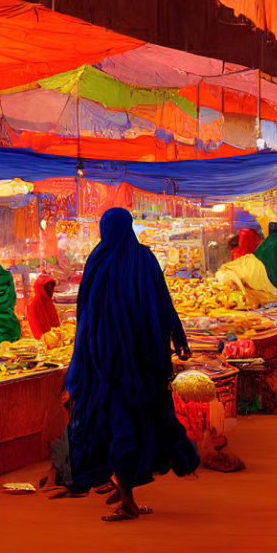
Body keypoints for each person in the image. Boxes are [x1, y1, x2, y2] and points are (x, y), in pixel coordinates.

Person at [66, 208, 198, 522]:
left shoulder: (98, 261)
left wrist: (81, 364)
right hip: (145, 360)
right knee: (139, 423)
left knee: (117, 426)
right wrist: (179, 338)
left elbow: (85, 318)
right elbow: (165, 303)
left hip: (108, 364)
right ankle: (126, 492)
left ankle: (127, 500)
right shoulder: (145, 259)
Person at [27, 273, 60, 339]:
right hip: (43, 341)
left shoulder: (48, 300)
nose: (50, 289)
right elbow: (34, 326)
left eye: (51, 286)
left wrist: (59, 334)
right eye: (48, 286)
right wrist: (42, 341)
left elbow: (55, 321)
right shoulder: (34, 302)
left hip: (53, 339)